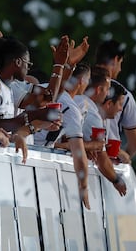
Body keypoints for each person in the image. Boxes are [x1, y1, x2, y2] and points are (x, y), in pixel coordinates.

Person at [35, 62, 92, 209]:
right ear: (81, 81)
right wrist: (84, 186)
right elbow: (78, 152)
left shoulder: (45, 87)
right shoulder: (72, 110)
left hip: (18, 145)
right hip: (36, 158)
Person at [75, 67, 127, 196]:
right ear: (98, 90)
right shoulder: (92, 115)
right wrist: (116, 179)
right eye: (108, 89)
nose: (109, 93)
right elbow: (101, 159)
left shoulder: (76, 100)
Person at [94, 40, 136, 164]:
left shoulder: (80, 83)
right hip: (107, 164)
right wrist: (120, 157)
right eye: (120, 63)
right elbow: (135, 143)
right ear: (115, 60)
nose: (120, 69)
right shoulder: (125, 96)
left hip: (75, 157)